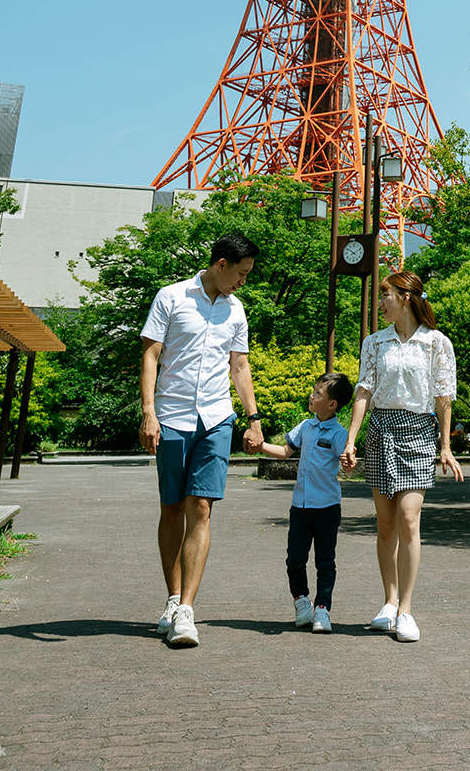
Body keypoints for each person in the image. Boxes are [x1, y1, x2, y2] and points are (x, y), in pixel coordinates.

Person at [139, 230, 264, 648]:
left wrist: (253, 418)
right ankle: (172, 600)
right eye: (241, 273)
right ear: (221, 265)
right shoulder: (171, 297)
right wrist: (149, 413)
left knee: (202, 507)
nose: (243, 281)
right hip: (172, 417)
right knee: (172, 508)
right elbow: (150, 355)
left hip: (216, 418)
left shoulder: (237, 310)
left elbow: (240, 366)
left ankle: (188, 609)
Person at [341, 270, 464, 643]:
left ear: (405, 298)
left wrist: (445, 445)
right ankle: (389, 602)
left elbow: (444, 397)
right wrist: (351, 441)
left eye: (386, 296)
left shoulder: (436, 343)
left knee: (410, 520)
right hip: (381, 431)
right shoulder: (375, 343)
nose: (381, 303)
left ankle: (406, 610)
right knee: (385, 525)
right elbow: (364, 391)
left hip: (419, 433)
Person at [257, 370, 354, 633]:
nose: (311, 396)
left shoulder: (338, 434)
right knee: (295, 559)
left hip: (327, 508)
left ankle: (322, 609)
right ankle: (301, 601)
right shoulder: (305, 427)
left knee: (325, 561)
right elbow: (286, 451)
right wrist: (261, 445)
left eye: (318, 393)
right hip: (300, 508)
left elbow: (347, 465)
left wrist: (348, 462)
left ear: (332, 404)